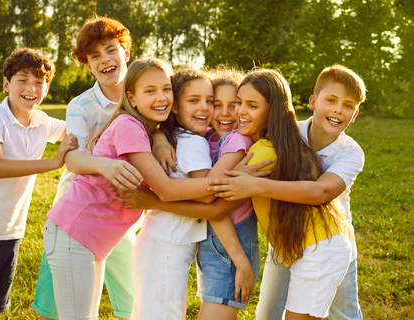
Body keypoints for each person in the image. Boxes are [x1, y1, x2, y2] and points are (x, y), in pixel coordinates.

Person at [117, 68, 353, 320]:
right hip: (284, 243)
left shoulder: (253, 151)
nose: (235, 112)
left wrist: (155, 200)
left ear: (270, 111)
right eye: (219, 104)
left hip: (299, 246)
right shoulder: (217, 138)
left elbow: (215, 206)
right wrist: (160, 136)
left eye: (246, 105)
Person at [44, 58, 230, 320]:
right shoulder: (129, 126)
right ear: (131, 97)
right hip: (74, 231)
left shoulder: (147, 128)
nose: (161, 97)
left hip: (89, 237)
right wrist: (228, 183)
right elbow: (164, 189)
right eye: (150, 91)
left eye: (166, 89)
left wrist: (160, 136)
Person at [209, 65, 366, 320]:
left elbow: (321, 192)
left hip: (328, 237)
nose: (338, 109)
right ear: (313, 102)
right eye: (331, 100)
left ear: (355, 114)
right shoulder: (290, 132)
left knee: (344, 314)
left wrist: (256, 185)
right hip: (286, 236)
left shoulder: (350, 152)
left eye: (347, 106)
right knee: (267, 313)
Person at [0, 47, 78, 320]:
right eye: (22, 79)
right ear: (7, 84)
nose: (31, 87)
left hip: (10, 235)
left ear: (46, 88)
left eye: (39, 82)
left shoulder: (43, 121)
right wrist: (54, 162)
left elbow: (82, 131)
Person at [31, 15, 143, 320]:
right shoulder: (81, 106)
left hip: (123, 215)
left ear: (126, 54)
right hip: (77, 214)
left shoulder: (145, 95)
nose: (105, 60)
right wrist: (102, 163)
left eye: (111, 50)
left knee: (137, 300)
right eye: (95, 56)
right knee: (54, 305)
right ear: (89, 66)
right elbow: (74, 158)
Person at [130, 67, 215, 319]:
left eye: (209, 101)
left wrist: (158, 134)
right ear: (175, 107)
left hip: (163, 241)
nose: (204, 107)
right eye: (193, 101)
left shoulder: (181, 136)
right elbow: (208, 195)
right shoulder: (193, 141)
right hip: (167, 245)